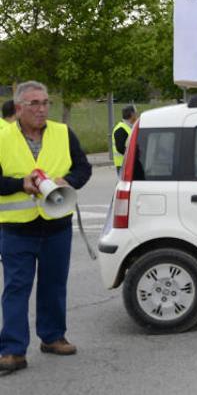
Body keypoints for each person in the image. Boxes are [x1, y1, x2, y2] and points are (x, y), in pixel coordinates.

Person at [0, 81, 92, 373]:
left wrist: (70, 182)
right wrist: (20, 184)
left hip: (56, 224)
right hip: (17, 229)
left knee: (54, 285)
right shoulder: (2, 137)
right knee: (16, 288)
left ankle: (52, 337)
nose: (41, 109)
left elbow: (83, 168)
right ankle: (12, 350)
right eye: (34, 104)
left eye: (45, 102)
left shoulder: (63, 133)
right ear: (18, 109)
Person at [112, 105, 138, 175]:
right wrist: (137, 154)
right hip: (123, 165)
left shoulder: (130, 127)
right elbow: (120, 148)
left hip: (129, 163)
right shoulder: (120, 129)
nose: (137, 115)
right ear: (132, 114)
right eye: (136, 113)